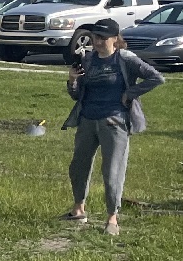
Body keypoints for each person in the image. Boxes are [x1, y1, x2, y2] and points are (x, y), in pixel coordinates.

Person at [61, 18, 164, 236]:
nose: (97, 42)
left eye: (102, 38)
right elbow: (77, 95)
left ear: (115, 39)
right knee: (78, 166)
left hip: (114, 122)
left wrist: (129, 94)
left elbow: (156, 78)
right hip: (87, 119)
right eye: (95, 37)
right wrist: (72, 81)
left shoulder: (126, 59)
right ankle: (78, 209)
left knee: (112, 171)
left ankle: (112, 218)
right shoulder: (88, 60)